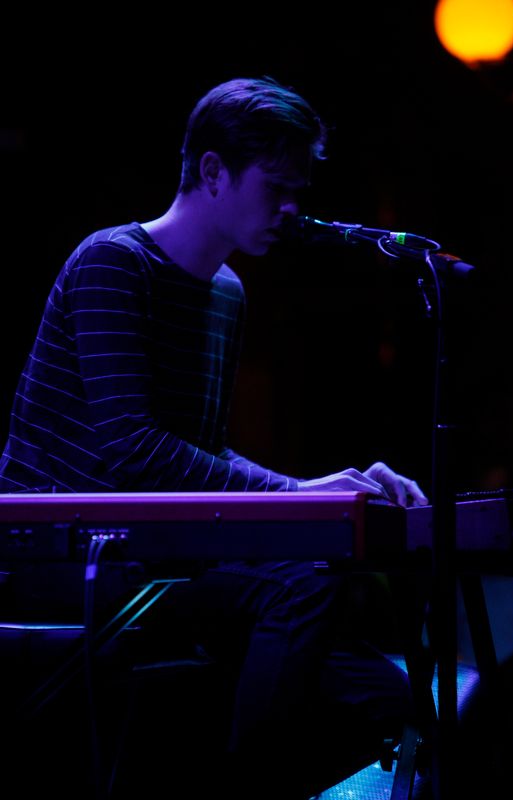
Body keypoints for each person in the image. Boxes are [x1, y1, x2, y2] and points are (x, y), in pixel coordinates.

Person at [0, 77, 429, 798]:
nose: (291, 209)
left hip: (154, 556)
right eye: (276, 187)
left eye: (299, 190)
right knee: (298, 585)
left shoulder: (227, 292)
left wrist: (318, 495)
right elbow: (136, 452)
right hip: (56, 556)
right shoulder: (113, 263)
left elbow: (199, 449)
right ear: (211, 171)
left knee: (387, 699)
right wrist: (299, 495)